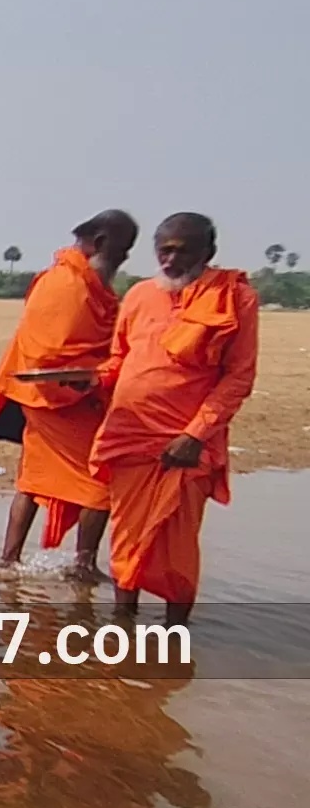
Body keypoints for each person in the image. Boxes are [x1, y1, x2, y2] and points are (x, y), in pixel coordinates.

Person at [91, 213, 257, 625]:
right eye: (163, 250)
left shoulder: (235, 298)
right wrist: (86, 381)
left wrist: (195, 435)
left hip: (184, 443)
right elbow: (120, 358)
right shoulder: (139, 295)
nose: (170, 259)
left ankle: (174, 632)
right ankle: (121, 620)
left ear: (208, 252)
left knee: (177, 543)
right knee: (126, 534)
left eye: (182, 251)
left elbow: (239, 377)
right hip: (130, 433)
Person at [0, 210, 137, 572]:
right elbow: (46, 351)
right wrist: (95, 371)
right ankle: (79, 565)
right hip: (51, 397)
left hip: (84, 396)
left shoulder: (92, 285)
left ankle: (13, 561)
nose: (126, 258)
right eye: (123, 249)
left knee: (35, 479)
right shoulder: (63, 283)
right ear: (99, 243)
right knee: (97, 483)